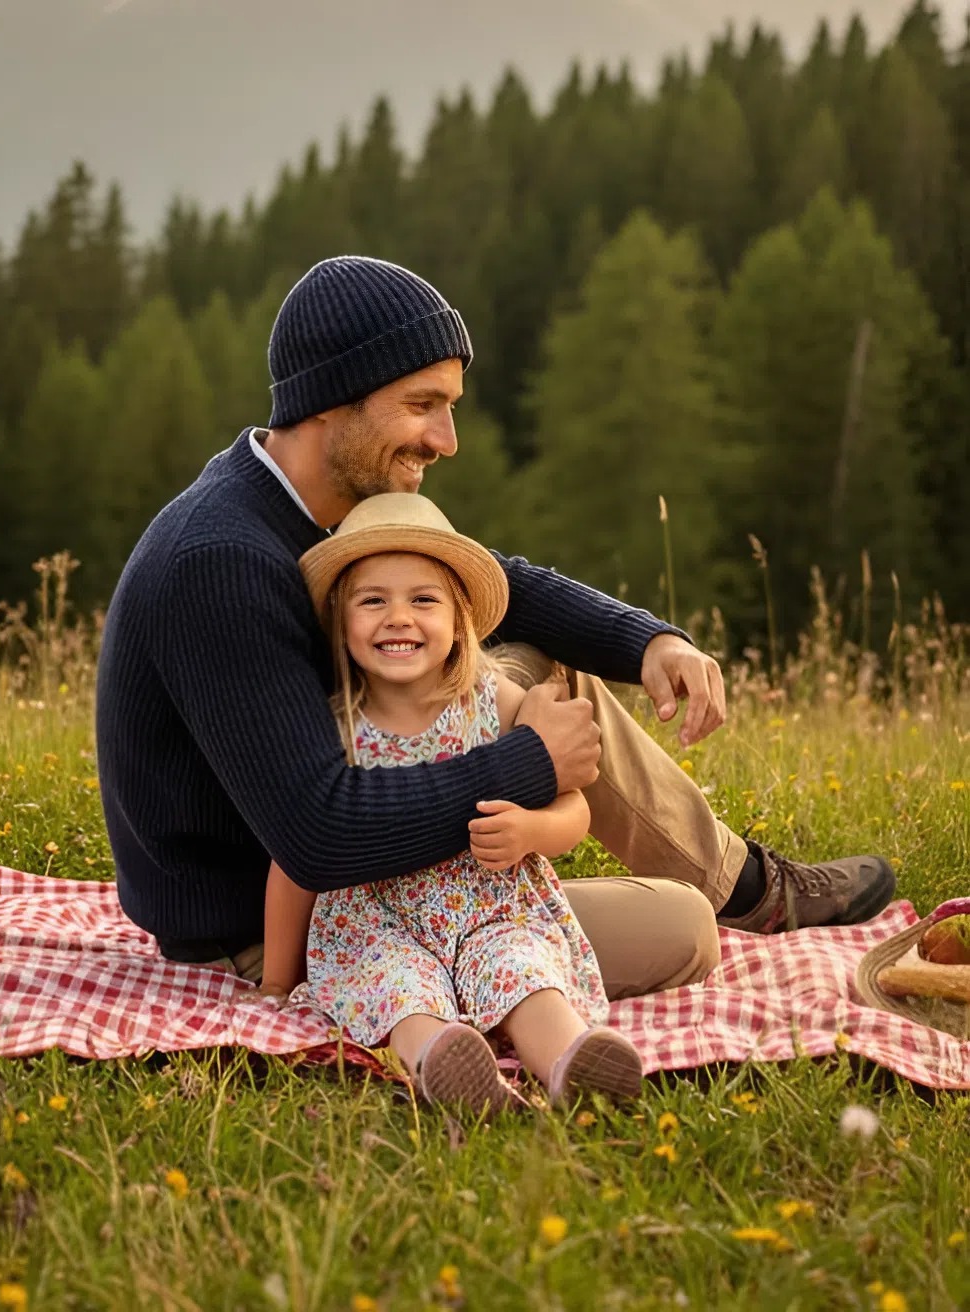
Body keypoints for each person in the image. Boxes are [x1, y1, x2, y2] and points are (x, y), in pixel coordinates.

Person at [95, 255, 895, 999]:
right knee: (680, 930)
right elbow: (316, 835)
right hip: (279, 929)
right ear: (331, 400)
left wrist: (650, 640)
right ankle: (727, 901)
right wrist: (526, 764)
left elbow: (499, 585)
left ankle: (749, 890)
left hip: (369, 879)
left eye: (449, 408)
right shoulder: (219, 563)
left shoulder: (310, 506)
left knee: (532, 669)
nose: (446, 440)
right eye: (422, 406)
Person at [259, 493, 644, 1113]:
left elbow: (577, 811)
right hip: (375, 924)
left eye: (423, 599)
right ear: (341, 618)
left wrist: (531, 831)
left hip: (493, 911)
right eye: (373, 600)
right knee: (398, 990)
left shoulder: (496, 704)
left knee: (526, 972)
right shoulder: (335, 729)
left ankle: (573, 1062)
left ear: (460, 613)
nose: (397, 618)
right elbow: (296, 857)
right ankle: (446, 1063)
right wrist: (278, 981)